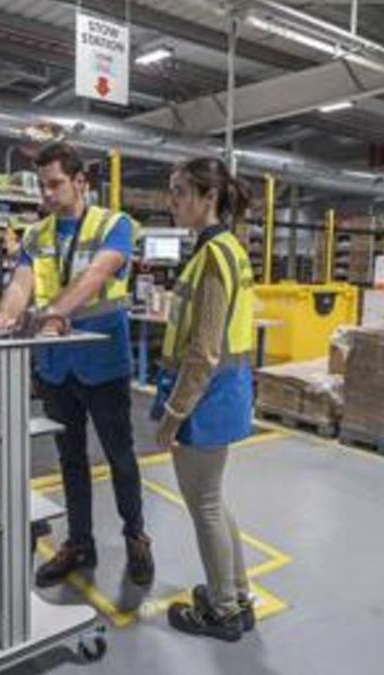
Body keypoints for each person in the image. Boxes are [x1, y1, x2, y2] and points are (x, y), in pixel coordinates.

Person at [0, 142, 154, 588]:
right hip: (55, 367)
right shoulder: (36, 235)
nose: (47, 195)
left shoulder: (115, 225)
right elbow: (20, 284)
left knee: (120, 457)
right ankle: (80, 542)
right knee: (70, 459)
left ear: (80, 182)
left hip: (103, 363)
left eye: (55, 184)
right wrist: (5, 316)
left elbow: (94, 278)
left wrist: (51, 315)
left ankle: (136, 538)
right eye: (42, 186)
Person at [152, 157, 256, 642]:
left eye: (179, 192)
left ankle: (223, 611)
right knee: (213, 501)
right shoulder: (223, 249)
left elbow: (205, 350)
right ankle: (236, 594)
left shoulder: (214, 257)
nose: (172, 201)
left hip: (205, 399)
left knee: (206, 508)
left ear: (207, 197)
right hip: (220, 395)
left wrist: (173, 416)